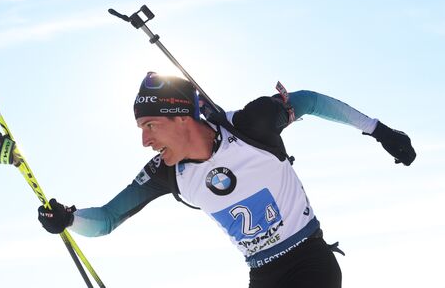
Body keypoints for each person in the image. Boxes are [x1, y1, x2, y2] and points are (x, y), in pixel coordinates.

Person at [38, 72, 416, 288]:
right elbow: (105, 219)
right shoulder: (168, 172)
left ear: (181, 118)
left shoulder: (253, 124)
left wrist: (380, 131)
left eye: (149, 125)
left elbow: (311, 101)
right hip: (263, 274)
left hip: (309, 263)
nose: (145, 140)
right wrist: (68, 219)